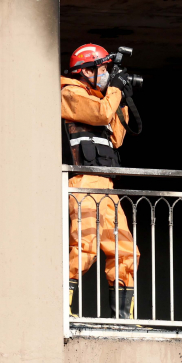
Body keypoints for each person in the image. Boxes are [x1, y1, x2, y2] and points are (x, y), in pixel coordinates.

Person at [62, 43, 140, 320]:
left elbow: (116, 137)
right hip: (83, 183)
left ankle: (123, 318)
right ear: (85, 71)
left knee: (125, 251)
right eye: (103, 69)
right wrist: (116, 91)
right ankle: (60, 309)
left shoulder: (102, 98)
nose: (107, 74)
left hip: (106, 186)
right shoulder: (70, 93)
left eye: (109, 69)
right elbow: (100, 114)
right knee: (85, 246)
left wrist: (121, 98)